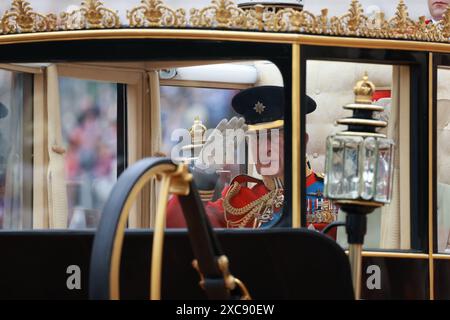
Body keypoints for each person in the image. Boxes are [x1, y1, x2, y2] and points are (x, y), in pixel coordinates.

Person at [166, 85, 334, 229]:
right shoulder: (238, 200)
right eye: (257, 138)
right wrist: (202, 175)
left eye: (275, 137)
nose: (265, 148)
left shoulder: (331, 195)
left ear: (302, 141)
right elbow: (176, 226)